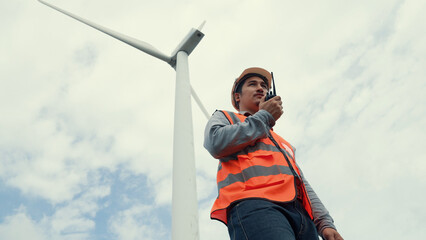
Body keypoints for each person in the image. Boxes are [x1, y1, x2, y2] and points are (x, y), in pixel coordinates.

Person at [204, 67, 344, 240]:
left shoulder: (281, 142)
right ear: (237, 96)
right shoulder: (225, 117)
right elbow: (215, 142)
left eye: (263, 85)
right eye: (252, 84)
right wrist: (265, 117)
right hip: (256, 205)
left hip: (301, 218)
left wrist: (324, 222)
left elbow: (301, 182)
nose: (260, 88)